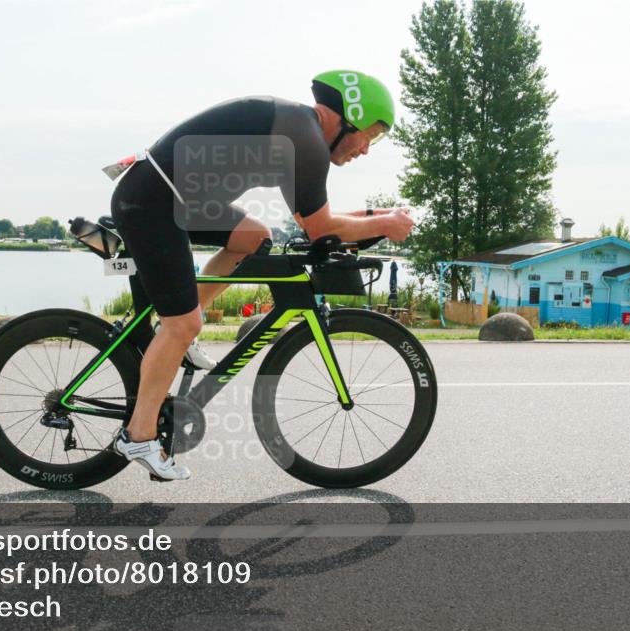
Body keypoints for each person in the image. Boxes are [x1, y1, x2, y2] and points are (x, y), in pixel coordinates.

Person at [109, 70, 415, 481]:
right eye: (369, 135)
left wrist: (380, 219)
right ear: (340, 118)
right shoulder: (304, 140)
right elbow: (322, 229)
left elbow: (316, 220)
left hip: (176, 199)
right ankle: (139, 435)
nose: (366, 149)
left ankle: (181, 336)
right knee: (181, 324)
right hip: (154, 202)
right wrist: (383, 223)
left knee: (253, 237)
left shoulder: (300, 134)